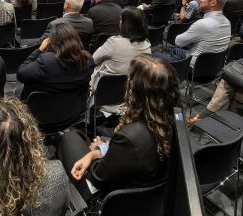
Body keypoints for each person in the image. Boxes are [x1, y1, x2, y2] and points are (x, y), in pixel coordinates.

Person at [59, 55, 178, 200]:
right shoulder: (175, 118)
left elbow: (97, 177)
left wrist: (96, 152)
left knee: (68, 138)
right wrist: (96, 152)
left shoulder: (132, 136)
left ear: (136, 90)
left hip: (111, 199)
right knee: (82, 138)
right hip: (148, 190)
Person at [16, 21, 94, 100]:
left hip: (42, 108)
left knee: (18, 91)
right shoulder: (88, 59)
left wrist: (39, 50)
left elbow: (21, 74)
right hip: (74, 108)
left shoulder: (46, 61)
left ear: (52, 42)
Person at [89, 7, 151, 93]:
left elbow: (94, 59)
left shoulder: (113, 42)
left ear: (126, 24)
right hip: (133, 92)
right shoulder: (148, 46)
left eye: (121, 20)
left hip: (107, 92)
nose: (119, 22)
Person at [173, 0, 230, 66]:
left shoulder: (202, 24)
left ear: (213, 3)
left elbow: (178, 42)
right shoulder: (227, 22)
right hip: (214, 66)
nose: (200, 0)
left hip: (193, 67)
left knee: (164, 53)